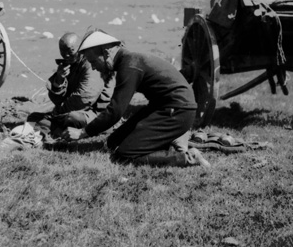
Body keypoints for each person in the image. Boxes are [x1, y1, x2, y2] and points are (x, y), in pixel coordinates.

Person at [62, 29, 210, 168]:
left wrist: (83, 132)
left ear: (106, 52)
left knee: (125, 155)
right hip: (166, 108)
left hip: (177, 112)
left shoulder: (129, 66)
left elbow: (115, 111)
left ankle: (188, 157)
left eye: (94, 61)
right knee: (113, 142)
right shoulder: (129, 61)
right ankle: (169, 141)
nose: (94, 67)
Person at [27, 32, 111, 139]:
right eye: (63, 51)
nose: (66, 55)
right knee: (33, 116)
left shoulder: (90, 64)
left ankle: (56, 129)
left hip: (96, 113)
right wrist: (59, 79)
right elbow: (56, 99)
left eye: (70, 50)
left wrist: (58, 113)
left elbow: (84, 98)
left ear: (80, 48)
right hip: (71, 111)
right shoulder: (69, 64)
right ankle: (57, 128)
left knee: (72, 118)